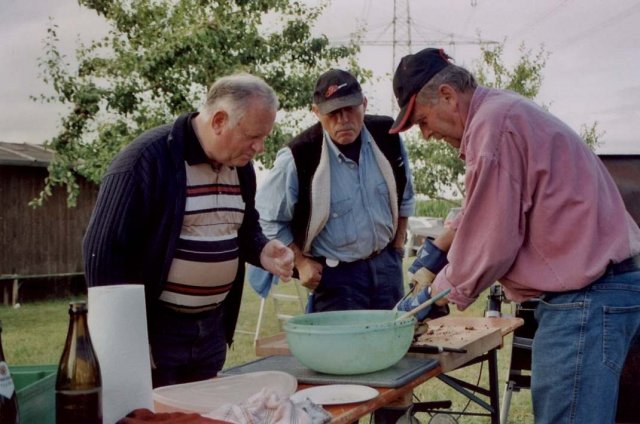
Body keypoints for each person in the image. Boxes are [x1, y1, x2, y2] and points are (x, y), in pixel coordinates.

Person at [390, 47, 640, 423]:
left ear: (447, 96)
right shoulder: (503, 112)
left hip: (584, 299)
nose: (425, 135)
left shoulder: (493, 129)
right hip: (605, 288)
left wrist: (434, 297)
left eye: (422, 121)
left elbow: (491, 244)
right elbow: (483, 206)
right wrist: (436, 252)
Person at [83, 73, 294, 388]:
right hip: (159, 332)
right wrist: (131, 342)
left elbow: (244, 228)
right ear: (219, 120)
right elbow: (102, 255)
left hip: (211, 330)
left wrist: (263, 250)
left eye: (264, 137)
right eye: (253, 135)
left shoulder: (241, 167)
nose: (260, 147)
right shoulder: (147, 160)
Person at [255, 69, 416, 312]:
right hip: (336, 277)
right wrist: (300, 262)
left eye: (350, 108)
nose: (343, 120)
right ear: (317, 113)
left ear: (364, 103)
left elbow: (405, 192)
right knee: (341, 349)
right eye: (333, 112)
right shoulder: (298, 156)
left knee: (393, 344)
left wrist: (398, 244)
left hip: (387, 266)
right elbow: (267, 217)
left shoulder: (388, 135)